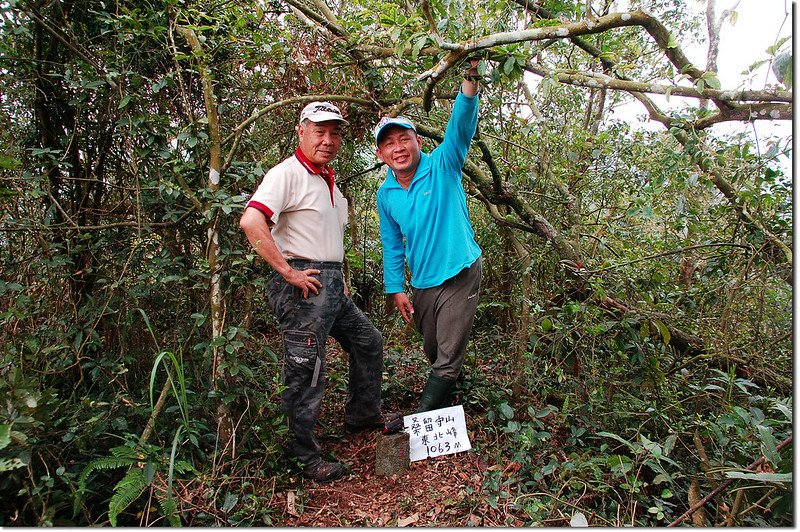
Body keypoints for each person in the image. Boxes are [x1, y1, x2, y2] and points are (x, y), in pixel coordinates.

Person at [239, 101, 384, 483]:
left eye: (335, 133)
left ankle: (362, 417)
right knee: (307, 367)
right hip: (303, 285)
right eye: (319, 131)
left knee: (368, 341)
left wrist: (340, 279)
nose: (328, 140)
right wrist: (288, 272)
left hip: (331, 284)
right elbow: (251, 221)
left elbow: (329, 240)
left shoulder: (328, 181)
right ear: (301, 131)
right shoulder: (286, 174)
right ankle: (302, 456)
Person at [375, 60, 482, 413]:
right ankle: (454, 384)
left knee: (447, 354)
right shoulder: (386, 193)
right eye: (389, 143)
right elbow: (391, 243)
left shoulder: (442, 164)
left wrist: (469, 81)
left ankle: (423, 418)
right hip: (422, 281)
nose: (398, 147)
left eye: (404, 138)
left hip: (459, 271)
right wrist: (396, 288)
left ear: (418, 141)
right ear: (381, 154)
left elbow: (460, 128)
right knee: (434, 346)